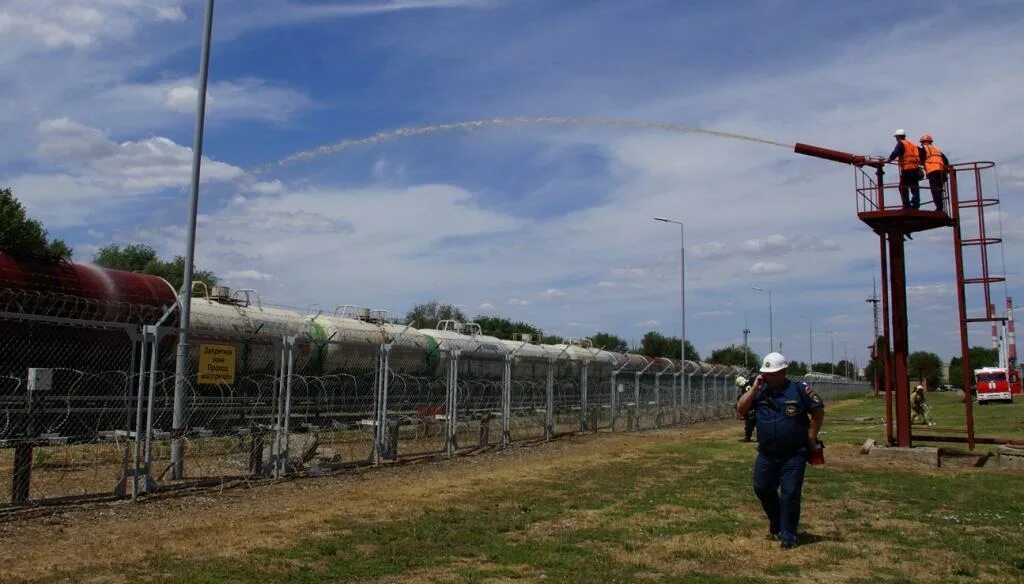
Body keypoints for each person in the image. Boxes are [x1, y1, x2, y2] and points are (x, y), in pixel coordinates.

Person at [736, 352, 825, 549]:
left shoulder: (799, 389)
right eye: (766, 373)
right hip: (767, 454)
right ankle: (776, 519)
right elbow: (741, 409)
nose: (769, 377)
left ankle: (788, 534)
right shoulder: (759, 390)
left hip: (794, 454)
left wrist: (811, 437)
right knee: (762, 487)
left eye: (774, 373)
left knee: (790, 493)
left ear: (784, 371)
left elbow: (818, 411)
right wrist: (755, 388)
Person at [887, 129, 922, 209]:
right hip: (915, 168)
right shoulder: (912, 144)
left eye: (896, 137)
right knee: (914, 186)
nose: (895, 139)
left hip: (907, 168)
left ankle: (907, 205)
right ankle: (916, 204)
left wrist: (889, 159)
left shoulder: (901, 143)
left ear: (898, 137)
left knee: (902, 187)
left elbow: (896, 152)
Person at [919, 135, 950, 212]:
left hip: (933, 171)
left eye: (922, 142)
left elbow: (921, 159)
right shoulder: (937, 150)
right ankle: (940, 207)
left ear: (924, 142)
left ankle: (939, 208)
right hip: (942, 171)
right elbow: (946, 160)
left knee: (935, 190)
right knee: (939, 190)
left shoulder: (924, 149)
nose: (922, 144)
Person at [735, 375, 756, 442]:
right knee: (759, 423)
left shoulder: (745, 389)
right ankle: (760, 437)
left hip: (751, 407)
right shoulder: (751, 383)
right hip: (757, 405)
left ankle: (748, 437)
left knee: (749, 423)